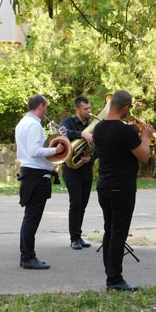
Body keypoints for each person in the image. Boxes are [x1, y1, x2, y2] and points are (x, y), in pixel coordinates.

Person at [93, 90, 153, 291]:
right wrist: (145, 136)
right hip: (122, 188)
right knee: (119, 234)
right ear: (126, 107)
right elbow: (144, 156)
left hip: (104, 186)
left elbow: (115, 138)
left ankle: (110, 274)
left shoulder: (99, 128)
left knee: (109, 231)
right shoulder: (125, 132)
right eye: (130, 107)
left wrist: (130, 130)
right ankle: (115, 279)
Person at [15, 94, 67, 269]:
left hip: (30, 174)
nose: (46, 110)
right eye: (46, 107)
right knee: (32, 218)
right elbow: (35, 150)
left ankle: (26, 256)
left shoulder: (22, 123)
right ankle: (28, 257)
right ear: (40, 106)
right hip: (36, 176)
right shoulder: (34, 125)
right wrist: (56, 148)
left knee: (29, 217)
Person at [60, 96, 94, 250]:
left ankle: (79, 235)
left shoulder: (92, 125)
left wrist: (91, 157)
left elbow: (98, 146)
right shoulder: (68, 122)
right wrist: (81, 134)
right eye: (86, 109)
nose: (89, 111)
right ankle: (74, 238)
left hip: (86, 168)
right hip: (71, 169)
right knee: (76, 203)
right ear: (77, 110)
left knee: (83, 204)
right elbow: (62, 134)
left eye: (89, 108)